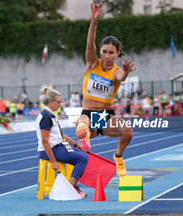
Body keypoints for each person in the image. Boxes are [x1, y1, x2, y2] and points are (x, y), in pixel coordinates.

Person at [75, 3, 135, 177]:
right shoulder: (92, 64)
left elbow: (120, 77)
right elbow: (89, 45)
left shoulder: (116, 72)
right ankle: (84, 137)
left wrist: (126, 73)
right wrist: (94, 21)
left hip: (106, 116)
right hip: (88, 112)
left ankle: (118, 157)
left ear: (117, 54)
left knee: (128, 131)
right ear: (100, 51)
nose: (107, 56)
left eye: (111, 53)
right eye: (104, 51)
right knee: (83, 122)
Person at [36, 86, 88, 198]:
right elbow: (45, 141)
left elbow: (60, 135)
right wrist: (53, 161)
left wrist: (76, 144)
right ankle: (69, 190)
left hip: (58, 147)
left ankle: (72, 187)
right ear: (50, 101)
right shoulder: (46, 116)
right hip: (50, 150)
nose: (60, 105)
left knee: (83, 155)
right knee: (83, 159)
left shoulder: (51, 115)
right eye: (58, 102)